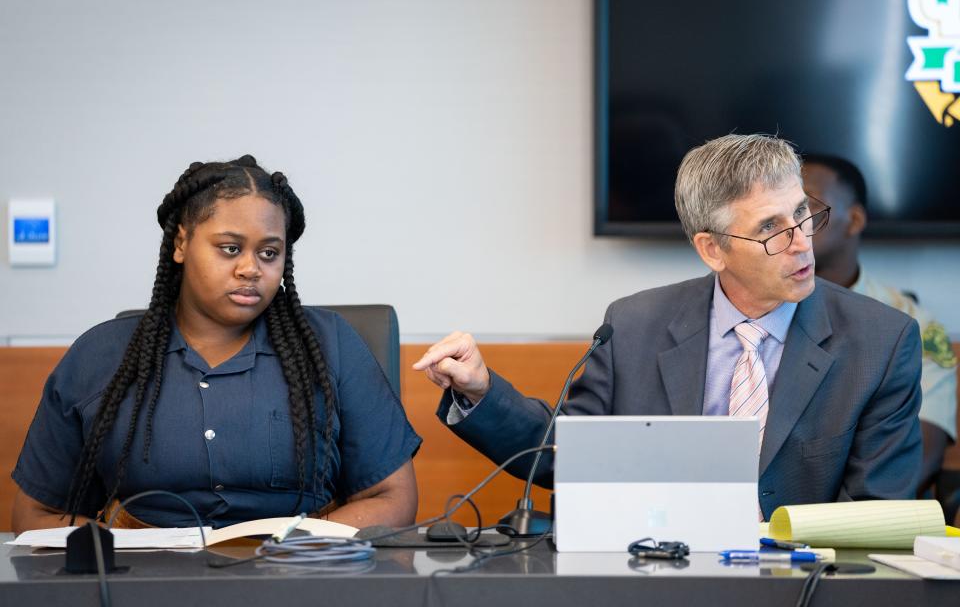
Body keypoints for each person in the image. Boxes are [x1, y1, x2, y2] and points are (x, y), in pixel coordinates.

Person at [413, 134, 923, 520]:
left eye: (802, 214)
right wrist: (481, 391)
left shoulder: (881, 341)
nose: (800, 241)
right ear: (711, 249)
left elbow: (875, 515)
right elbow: (565, 457)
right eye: (770, 228)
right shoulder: (634, 325)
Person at [12, 155, 421, 533]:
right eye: (230, 248)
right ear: (181, 243)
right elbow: (35, 514)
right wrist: (121, 550)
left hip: (301, 574)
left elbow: (392, 497)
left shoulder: (330, 344)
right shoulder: (100, 357)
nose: (250, 269)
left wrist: (289, 548)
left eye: (268, 252)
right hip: (143, 581)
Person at [801, 153, 957, 520]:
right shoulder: (757, 311)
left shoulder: (912, 322)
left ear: (853, 219)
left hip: (867, 522)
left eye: (804, 205)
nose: (788, 222)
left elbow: (919, 454)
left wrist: (825, 524)